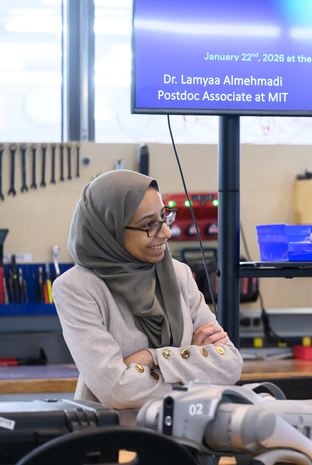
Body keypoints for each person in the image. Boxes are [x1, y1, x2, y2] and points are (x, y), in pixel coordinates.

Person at [53, 170, 243, 424]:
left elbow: (230, 364)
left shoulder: (178, 274)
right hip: (116, 442)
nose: (166, 232)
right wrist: (191, 357)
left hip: (189, 434)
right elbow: (115, 390)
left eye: (165, 217)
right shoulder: (77, 288)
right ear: (110, 230)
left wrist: (151, 358)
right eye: (149, 225)